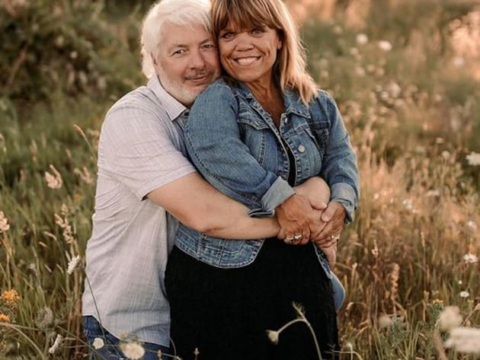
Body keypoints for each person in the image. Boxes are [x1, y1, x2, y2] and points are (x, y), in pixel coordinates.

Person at [81, 0, 332, 359]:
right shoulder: (133, 120)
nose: (197, 63)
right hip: (136, 326)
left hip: (211, 308)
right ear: (154, 61)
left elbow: (300, 172)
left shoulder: (235, 111)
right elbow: (207, 216)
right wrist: (298, 218)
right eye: (179, 51)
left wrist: (313, 193)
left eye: (207, 46)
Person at [165, 0, 360, 359]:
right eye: (228, 34)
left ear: (280, 37)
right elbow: (219, 154)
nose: (242, 44)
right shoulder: (218, 100)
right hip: (225, 270)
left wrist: (340, 204)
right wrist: (283, 198)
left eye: (256, 30)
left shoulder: (315, 102)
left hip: (299, 261)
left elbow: (340, 156)